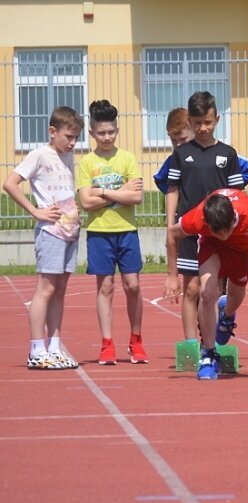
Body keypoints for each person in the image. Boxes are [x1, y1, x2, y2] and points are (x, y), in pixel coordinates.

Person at [164, 92, 248, 349]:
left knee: (214, 289)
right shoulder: (181, 154)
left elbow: (237, 195)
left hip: (219, 231)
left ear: (217, 120)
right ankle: (192, 346)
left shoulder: (228, 154)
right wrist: (171, 223)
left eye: (208, 122)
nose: (203, 128)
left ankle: (214, 346)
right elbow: (172, 189)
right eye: (197, 122)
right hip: (190, 230)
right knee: (191, 289)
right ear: (189, 121)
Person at [2, 106, 84, 369]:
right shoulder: (39, 155)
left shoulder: (68, 157)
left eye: (75, 138)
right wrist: (35, 211)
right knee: (46, 288)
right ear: (53, 132)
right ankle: (36, 349)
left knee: (60, 290)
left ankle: (55, 346)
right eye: (68, 137)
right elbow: (10, 183)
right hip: (51, 231)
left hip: (70, 231)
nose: (72, 143)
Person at [164, 189, 248, 380]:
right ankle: (209, 354)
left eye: (226, 230)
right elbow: (172, 235)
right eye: (217, 231)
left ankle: (227, 315)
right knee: (206, 292)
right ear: (207, 223)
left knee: (236, 296)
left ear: (233, 219)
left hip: (242, 249)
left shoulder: (247, 211)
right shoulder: (199, 216)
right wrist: (172, 275)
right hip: (211, 247)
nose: (223, 235)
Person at [76, 99, 146, 365]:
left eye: (111, 132)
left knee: (133, 285)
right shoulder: (86, 163)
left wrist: (103, 191)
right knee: (105, 287)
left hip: (126, 231)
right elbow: (86, 202)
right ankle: (107, 344)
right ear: (92, 133)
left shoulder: (127, 158)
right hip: (99, 232)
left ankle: (136, 340)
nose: (107, 137)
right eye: (102, 132)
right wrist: (120, 194)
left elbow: (137, 197)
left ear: (117, 130)